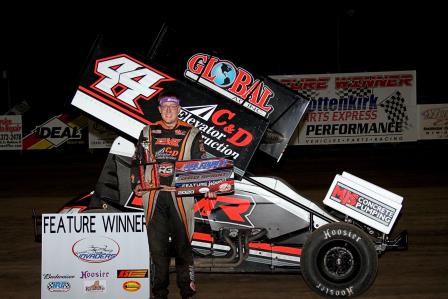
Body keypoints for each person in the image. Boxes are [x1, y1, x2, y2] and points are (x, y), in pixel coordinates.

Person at [131, 91, 215, 299]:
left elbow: (200, 162)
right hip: (154, 196)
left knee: (183, 245)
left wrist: (210, 186)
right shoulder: (147, 131)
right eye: (165, 107)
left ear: (179, 110)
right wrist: (135, 185)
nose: (169, 111)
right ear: (160, 110)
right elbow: (136, 161)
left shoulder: (192, 132)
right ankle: (159, 293)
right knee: (157, 248)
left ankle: (187, 290)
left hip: (181, 195)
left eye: (173, 107)